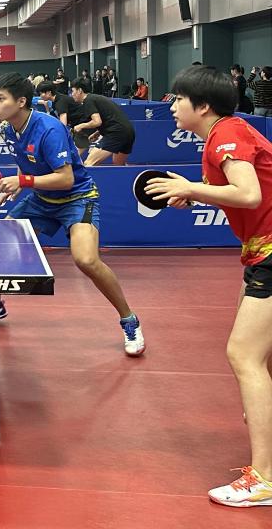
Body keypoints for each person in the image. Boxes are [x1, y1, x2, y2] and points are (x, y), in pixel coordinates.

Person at [144, 66, 272, 507]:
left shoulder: (226, 133)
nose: (171, 105)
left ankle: (265, 480)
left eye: (178, 98)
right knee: (260, 354)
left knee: (244, 354)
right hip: (259, 252)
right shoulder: (224, 133)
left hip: (271, 252)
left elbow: (249, 194)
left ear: (202, 106)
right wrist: (196, 191)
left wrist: (195, 189)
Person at [0, 73, 145, 356]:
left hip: (77, 198)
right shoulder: (8, 128)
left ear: (21, 102)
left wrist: (23, 182)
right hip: (41, 199)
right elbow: (25, 161)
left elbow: (66, 179)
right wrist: (18, 186)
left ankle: (129, 319)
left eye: (0, 98)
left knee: (86, 260)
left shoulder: (50, 129)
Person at [70, 79, 136, 166]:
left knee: (89, 163)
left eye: (73, 91)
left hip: (116, 133)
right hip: (128, 131)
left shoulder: (88, 100)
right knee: (119, 165)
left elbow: (97, 122)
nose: (72, 94)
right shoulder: (96, 98)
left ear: (79, 90)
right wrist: (97, 133)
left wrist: (81, 126)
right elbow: (109, 118)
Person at [36, 81, 90, 156]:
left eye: (41, 93)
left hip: (84, 123)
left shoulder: (60, 102)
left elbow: (63, 124)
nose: (40, 96)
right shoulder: (55, 101)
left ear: (48, 93)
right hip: (77, 125)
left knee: (77, 153)